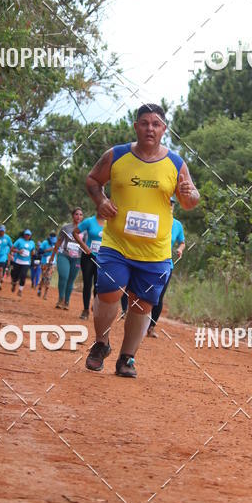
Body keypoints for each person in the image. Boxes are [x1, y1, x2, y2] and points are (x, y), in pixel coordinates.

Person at [84, 104, 199, 378]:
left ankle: (127, 358)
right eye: (144, 123)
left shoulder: (176, 163)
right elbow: (92, 180)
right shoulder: (116, 155)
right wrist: (100, 201)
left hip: (155, 251)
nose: (150, 128)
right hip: (117, 243)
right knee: (108, 291)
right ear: (136, 127)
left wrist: (189, 193)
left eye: (156, 124)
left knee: (141, 304)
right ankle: (101, 343)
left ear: (164, 130)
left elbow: (190, 200)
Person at [120, 198, 185, 334]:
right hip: (145, 261)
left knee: (158, 296)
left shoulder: (177, 225)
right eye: (168, 204)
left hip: (166, 265)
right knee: (133, 291)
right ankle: (129, 315)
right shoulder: (153, 219)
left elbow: (182, 242)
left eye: (172, 204)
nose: (170, 206)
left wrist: (180, 249)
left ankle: (151, 327)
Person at [49, 208, 84, 309]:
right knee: (64, 276)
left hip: (77, 258)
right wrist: (52, 256)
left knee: (71, 280)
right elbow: (59, 242)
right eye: (76, 214)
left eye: (81, 215)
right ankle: (60, 299)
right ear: (73, 216)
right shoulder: (66, 228)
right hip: (64, 255)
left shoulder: (85, 230)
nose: (78, 216)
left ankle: (67, 301)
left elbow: (86, 245)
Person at [73, 212, 105, 320]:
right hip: (88, 256)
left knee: (98, 284)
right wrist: (84, 246)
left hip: (103, 258)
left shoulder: (111, 223)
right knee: (87, 283)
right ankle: (85, 310)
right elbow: (75, 233)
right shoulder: (89, 221)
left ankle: (95, 305)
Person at [10, 228, 36, 297]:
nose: (27, 236)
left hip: (26, 262)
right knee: (15, 275)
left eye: (28, 235)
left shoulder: (32, 243)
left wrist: (33, 253)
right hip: (18, 261)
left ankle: (20, 290)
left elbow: (33, 252)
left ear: (30, 236)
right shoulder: (19, 241)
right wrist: (18, 251)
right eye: (26, 235)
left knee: (23, 275)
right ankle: (14, 284)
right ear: (24, 235)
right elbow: (12, 249)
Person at [38, 231, 57, 299]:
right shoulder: (45, 242)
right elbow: (39, 251)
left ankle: (45, 294)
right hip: (44, 262)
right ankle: (40, 288)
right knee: (43, 277)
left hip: (52, 263)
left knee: (48, 277)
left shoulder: (57, 242)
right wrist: (48, 250)